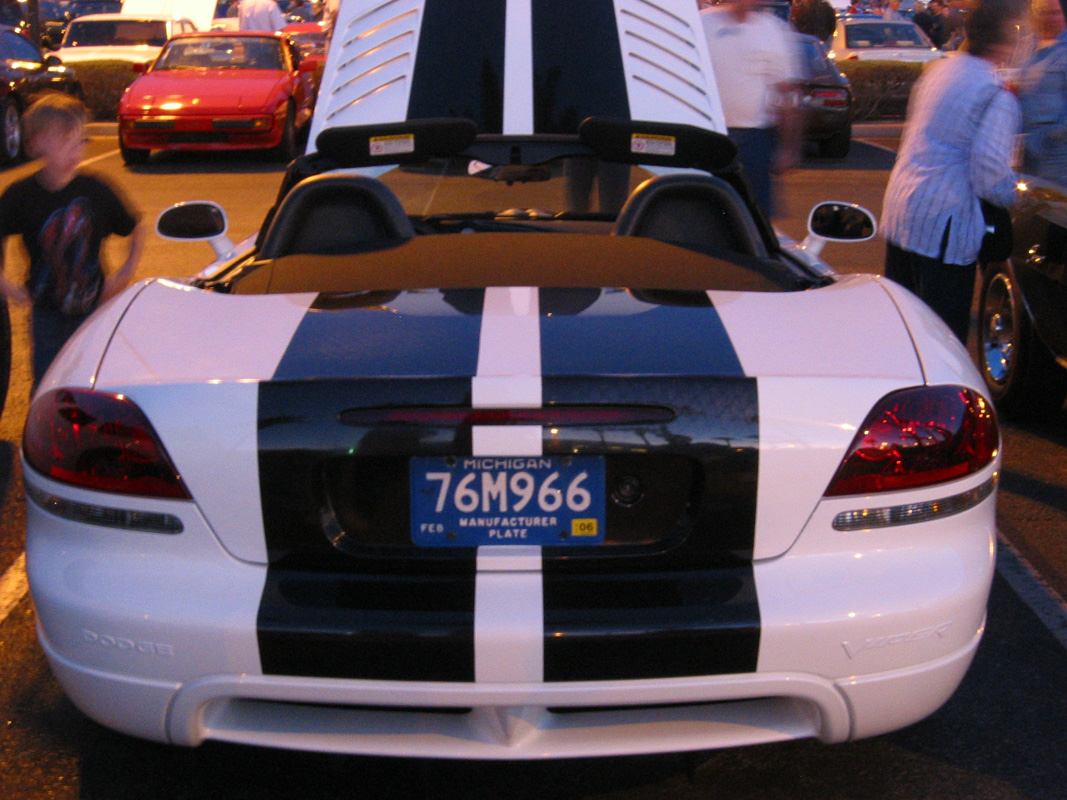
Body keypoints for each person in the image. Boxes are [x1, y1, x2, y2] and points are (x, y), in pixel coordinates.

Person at [881, 0, 1028, 345]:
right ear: (1002, 39)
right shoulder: (994, 95)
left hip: (903, 211)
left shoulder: (940, 72)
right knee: (941, 337)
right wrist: (1015, 193)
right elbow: (989, 171)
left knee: (904, 330)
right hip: (944, 225)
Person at [0, 94, 143, 390]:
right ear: (35, 143)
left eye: (81, 141)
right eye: (66, 140)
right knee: (49, 384)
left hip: (94, 311)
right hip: (46, 316)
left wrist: (124, 273)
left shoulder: (96, 190)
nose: (76, 150)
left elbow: (135, 226)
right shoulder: (20, 196)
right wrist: (7, 285)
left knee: (94, 385)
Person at [700, 0, 803, 217]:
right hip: (708, 138)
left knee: (754, 219)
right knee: (706, 215)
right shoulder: (703, 23)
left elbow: (787, 93)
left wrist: (789, 148)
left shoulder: (773, 30)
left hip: (754, 141)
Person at [1018, 0, 1067, 182]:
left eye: (1055, 13)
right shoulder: (1024, 45)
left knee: (1053, 207)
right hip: (1022, 152)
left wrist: (1047, 135)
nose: (1049, 18)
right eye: (1043, 12)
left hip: (1056, 155)